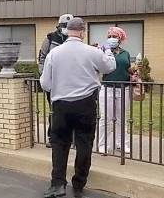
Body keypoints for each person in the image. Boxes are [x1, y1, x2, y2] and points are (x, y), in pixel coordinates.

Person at [40, 17, 116, 198]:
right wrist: (108, 50)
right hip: (85, 104)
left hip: (61, 105)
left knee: (59, 144)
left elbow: (45, 84)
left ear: (66, 31)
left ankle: (57, 184)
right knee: (84, 144)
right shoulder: (92, 52)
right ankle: (79, 183)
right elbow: (109, 67)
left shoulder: (54, 54)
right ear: (83, 32)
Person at [38, 13, 74, 148]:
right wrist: (44, 75)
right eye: (64, 26)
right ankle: (53, 137)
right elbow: (42, 57)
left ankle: (70, 137)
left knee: (70, 110)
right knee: (55, 111)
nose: (66, 28)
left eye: (68, 26)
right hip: (53, 81)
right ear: (59, 26)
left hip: (69, 82)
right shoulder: (50, 38)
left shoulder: (73, 39)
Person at [98, 27, 135, 155]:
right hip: (108, 88)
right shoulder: (103, 51)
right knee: (106, 119)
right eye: (109, 36)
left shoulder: (126, 53)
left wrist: (134, 74)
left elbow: (128, 68)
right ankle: (103, 145)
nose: (112, 39)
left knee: (121, 119)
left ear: (120, 38)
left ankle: (122, 144)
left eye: (114, 36)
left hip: (123, 89)